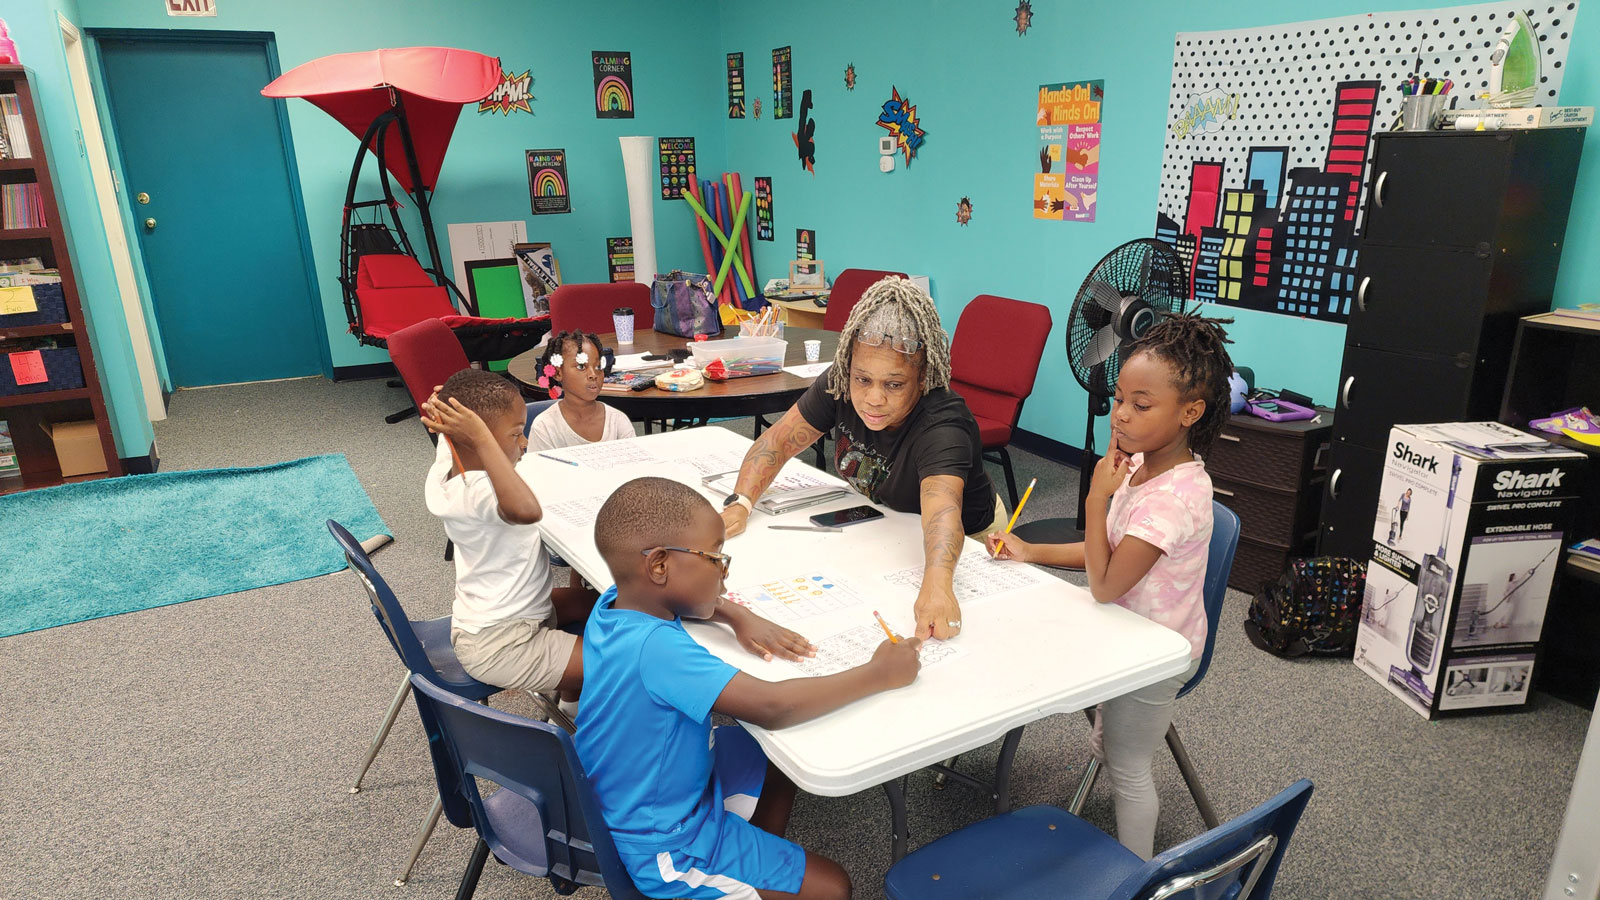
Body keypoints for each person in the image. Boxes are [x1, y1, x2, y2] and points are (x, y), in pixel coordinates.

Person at [578, 476, 922, 900]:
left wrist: (734, 615)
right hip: (664, 844)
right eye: (715, 559)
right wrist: (879, 673)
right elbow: (773, 705)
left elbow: (678, 597)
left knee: (777, 755)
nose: (724, 575)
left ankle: (751, 858)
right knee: (832, 888)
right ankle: (731, 872)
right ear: (661, 565)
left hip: (626, 790)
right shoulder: (657, 649)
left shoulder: (614, 604)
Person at [984, 313, 1234, 859]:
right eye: (1120, 397)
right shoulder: (1141, 465)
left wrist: (1097, 498)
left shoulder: (1172, 499)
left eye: (1141, 406)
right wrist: (1032, 550)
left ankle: (1138, 875)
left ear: (1190, 412)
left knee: (1129, 769)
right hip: (1122, 623)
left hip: (1156, 651)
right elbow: (1110, 554)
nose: (1120, 414)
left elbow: (1105, 582)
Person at [423, 370, 808, 724]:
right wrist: (482, 437)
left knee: (619, 604)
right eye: (514, 435)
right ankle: (576, 723)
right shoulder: (475, 491)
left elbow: (460, 439)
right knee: (633, 659)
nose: (524, 442)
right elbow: (527, 509)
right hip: (504, 643)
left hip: (507, 613)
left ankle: (570, 707)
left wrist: (460, 415)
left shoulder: (448, 463)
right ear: (476, 439)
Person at [720, 277, 1002, 641]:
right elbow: (777, 442)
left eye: (894, 384)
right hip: (887, 521)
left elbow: (942, 512)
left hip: (969, 541)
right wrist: (740, 503)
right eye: (863, 379)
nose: (873, 398)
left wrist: (937, 584)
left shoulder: (943, 422)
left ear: (922, 379)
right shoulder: (839, 383)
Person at [526, 329, 635, 451]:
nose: (593, 374)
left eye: (598, 366)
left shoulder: (617, 421)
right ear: (557, 373)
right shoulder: (545, 427)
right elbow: (540, 469)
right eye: (581, 366)